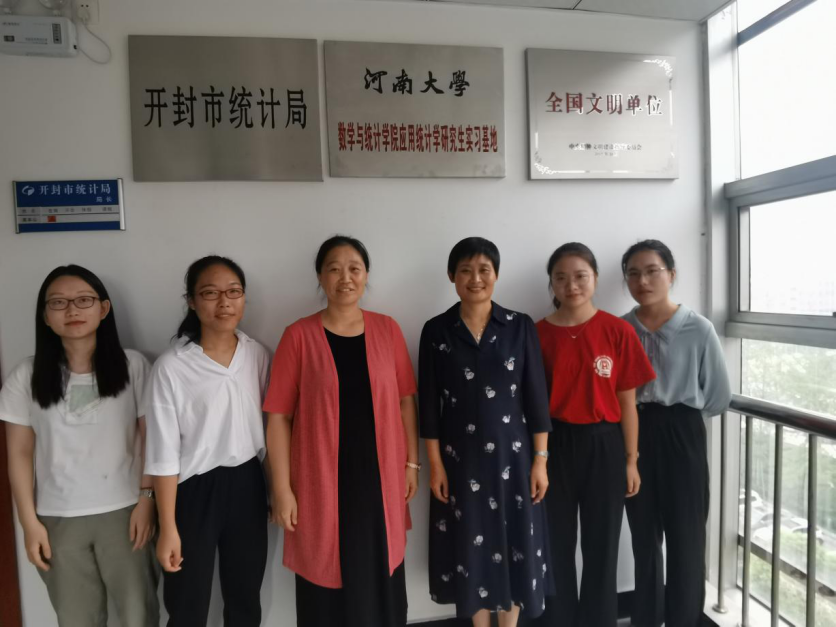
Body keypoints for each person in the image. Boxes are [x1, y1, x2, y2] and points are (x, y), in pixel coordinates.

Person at [263, 235, 420, 627]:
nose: (345, 278)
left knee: (380, 574)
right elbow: (278, 417)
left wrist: (412, 464)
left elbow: (405, 400)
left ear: (366, 275)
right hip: (319, 484)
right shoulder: (298, 336)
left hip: (379, 481)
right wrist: (281, 489)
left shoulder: (387, 329)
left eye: (354, 268)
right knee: (325, 579)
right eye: (334, 269)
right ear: (320, 277)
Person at [0, 265, 159, 627]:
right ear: (45, 315)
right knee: (76, 619)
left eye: (83, 300)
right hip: (58, 518)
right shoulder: (26, 375)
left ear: (103, 308)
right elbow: (19, 454)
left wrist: (147, 501)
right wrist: (29, 523)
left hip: (126, 512)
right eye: (58, 302)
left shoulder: (133, 366)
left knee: (139, 615)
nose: (72, 310)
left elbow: (153, 439)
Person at [419, 237, 553, 627]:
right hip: (459, 460)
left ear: (496, 274)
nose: (475, 278)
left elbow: (536, 399)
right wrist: (435, 465)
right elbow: (428, 406)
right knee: (470, 547)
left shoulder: (519, 326)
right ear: (451, 276)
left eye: (484, 270)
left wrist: (540, 461)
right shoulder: (436, 331)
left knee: (516, 544)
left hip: (514, 458)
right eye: (465, 270)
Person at [144, 255, 270, 627]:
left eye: (234, 292)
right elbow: (162, 452)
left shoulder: (256, 354)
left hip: (248, 483)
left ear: (244, 297)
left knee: (245, 596)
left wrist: (277, 489)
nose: (224, 302)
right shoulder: (172, 366)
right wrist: (168, 526)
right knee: (187, 602)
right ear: (192, 301)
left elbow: (272, 427)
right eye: (210, 293)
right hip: (191, 490)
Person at [535, 242, 655, 627]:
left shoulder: (617, 330)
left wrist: (631, 460)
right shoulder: (536, 334)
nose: (571, 285)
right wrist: (537, 459)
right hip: (554, 445)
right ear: (552, 283)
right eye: (561, 278)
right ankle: (558, 621)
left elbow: (627, 403)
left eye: (580, 276)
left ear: (596, 279)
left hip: (605, 445)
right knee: (555, 544)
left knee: (602, 546)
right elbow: (530, 406)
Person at [621, 239, 731, 627]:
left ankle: (685, 620)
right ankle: (647, 620)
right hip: (633, 434)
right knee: (644, 539)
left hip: (683, 433)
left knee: (687, 537)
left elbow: (718, 396)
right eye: (633, 273)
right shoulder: (620, 329)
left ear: (671, 274)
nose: (642, 281)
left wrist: (679, 418)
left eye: (652, 271)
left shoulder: (699, 328)